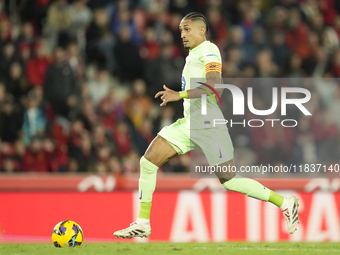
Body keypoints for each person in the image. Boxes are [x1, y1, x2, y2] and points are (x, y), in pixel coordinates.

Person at [113, 12, 300, 239]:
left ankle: (285, 203)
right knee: (148, 161)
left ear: (202, 30)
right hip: (189, 124)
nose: (182, 34)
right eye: (181, 30)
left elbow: (215, 85)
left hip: (209, 126)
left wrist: (179, 94)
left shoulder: (209, 50)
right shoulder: (192, 54)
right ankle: (143, 223)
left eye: (187, 29)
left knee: (229, 180)